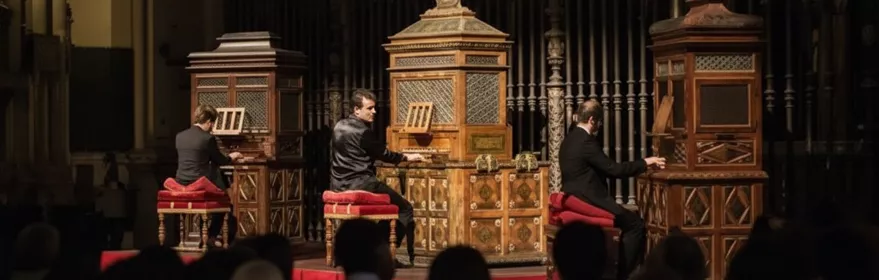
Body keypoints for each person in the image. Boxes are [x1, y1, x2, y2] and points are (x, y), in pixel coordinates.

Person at [559, 99, 666, 278]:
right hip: (589, 199)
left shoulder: (569, 139)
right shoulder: (586, 142)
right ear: (592, 120)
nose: (599, 126)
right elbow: (614, 170)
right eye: (599, 122)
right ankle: (623, 274)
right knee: (635, 224)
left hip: (575, 196)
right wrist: (645, 162)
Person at [331, 89, 424, 266]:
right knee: (404, 208)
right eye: (370, 108)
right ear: (356, 110)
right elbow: (384, 154)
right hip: (363, 184)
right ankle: (382, 254)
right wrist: (406, 157)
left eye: (374, 108)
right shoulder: (363, 132)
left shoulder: (338, 126)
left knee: (386, 211)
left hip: (338, 184)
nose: (374, 112)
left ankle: (355, 252)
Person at [175, 104, 244, 245]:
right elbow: (220, 160)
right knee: (224, 202)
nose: (212, 127)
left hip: (181, 182)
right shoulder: (207, 139)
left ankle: (203, 236)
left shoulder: (179, 136)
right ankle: (211, 236)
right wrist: (233, 155)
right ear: (208, 121)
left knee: (214, 184)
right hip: (199, 183)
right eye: (212, 123)